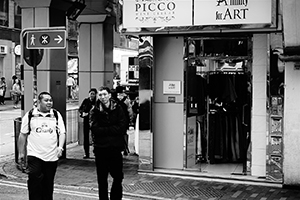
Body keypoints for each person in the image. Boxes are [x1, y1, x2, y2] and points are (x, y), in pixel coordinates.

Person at [18, 91, 66, 200]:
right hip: (34, 154)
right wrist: (21, 153)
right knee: (34, 180)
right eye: (46, 100)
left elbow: (62, 132)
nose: (49, 103)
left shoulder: (56, 115)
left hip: (51, 156)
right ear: (39, 102)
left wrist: (60, 147)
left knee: (48, 184)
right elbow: (23, 134)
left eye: (51, 100)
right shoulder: (30, 115)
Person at [89, 86, 127, 200]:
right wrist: (111, 129)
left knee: (118, 176)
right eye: (100, 95)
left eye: (105, 94)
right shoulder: (94, 110)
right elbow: (95, 129)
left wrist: (105, 130)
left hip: (115, 148)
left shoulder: (118, 107)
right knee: (102, 179)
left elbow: (122, 126)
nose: (103, 97)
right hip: (101, 148)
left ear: (110, 95)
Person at [78, 88, 97, 158]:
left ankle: (95, 152)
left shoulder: (97, 102)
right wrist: (82, 113)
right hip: (86, 121)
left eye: (93, 94)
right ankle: (86, 153)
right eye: (91, 94)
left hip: (94, 122)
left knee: (95, 137)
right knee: (85, 137)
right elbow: (80, 109)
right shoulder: (86, 101)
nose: (92, 95)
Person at [116, 85, 134, 155]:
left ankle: (118, 148)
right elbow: (130, 110)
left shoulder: (114, 98)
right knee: (124, 133)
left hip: (116, 119)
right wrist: (131, 119)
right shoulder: (126, 99)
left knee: (117, 133)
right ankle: (125, 148)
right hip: (124, 119)